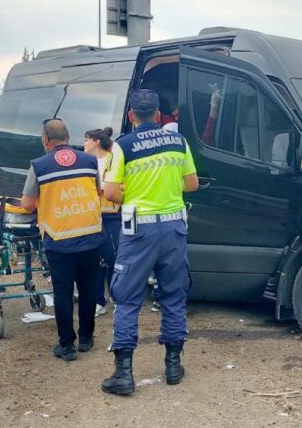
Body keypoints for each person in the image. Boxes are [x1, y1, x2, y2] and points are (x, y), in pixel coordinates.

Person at [101, 89, 198, 395]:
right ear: (158, 115)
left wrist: (135, 193)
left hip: (139, 230)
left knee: (128, 298)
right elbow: (192, 184)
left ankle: (123, 374)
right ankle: (173, 366)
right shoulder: (178, 141)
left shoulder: (123, 145)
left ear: (131, 115)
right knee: (173, 295)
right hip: (174, 228)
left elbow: (110, 192)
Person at [21, 118, 105, 362]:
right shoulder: (90, 160)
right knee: (89, 289)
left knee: (63, 293)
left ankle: (67, 345)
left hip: (59, 239)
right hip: (90, 235)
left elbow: (27, 204)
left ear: (45, 140)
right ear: (68, 137)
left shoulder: (39, 165)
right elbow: (98, 191)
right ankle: (86, 338)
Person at [82, 126, 120, 317]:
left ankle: (117, 296)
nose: (83, 144)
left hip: (111, 215)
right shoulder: (84, 162)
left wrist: (105, 187)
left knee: (114, 257)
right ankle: (98, 301)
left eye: (87, 140)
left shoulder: (113, 159)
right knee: (94, 260)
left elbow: (122, 184)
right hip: (91, 216)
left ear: (96, 141)